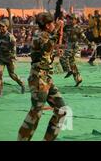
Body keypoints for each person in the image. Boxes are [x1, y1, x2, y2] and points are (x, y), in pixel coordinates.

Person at [17, 12, 67, 141]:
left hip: (47, 78)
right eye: (51, 23)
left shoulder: (46, 35)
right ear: (46, 25)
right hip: (38, 78)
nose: (53, 25)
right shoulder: (40, 36)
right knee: (36, 113)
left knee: (61, 109)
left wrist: (58, 30)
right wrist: (57, 29)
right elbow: (47, 46)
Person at [0, 19, 25, 96]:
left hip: (9, 59)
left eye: (3, 26)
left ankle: (22, 84)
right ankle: (0, 93)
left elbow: (14, 49)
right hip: (0, 58)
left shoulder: (10, 37)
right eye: (0, 26)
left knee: (12, 75)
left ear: (7, 27)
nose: (1, 28)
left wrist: (13, 58)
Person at [61, 14, 90, 87]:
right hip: (68, 45)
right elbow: (62, 36)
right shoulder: (65, 27)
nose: (68, 20)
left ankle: (68, 71)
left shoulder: (78, 28)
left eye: (70, 19)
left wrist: (89, 44)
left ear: (75, 20)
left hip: (74, 46)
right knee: (72, 63)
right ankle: (78, 79)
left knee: (63, 58)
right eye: (67, 19)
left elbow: (83, 38)